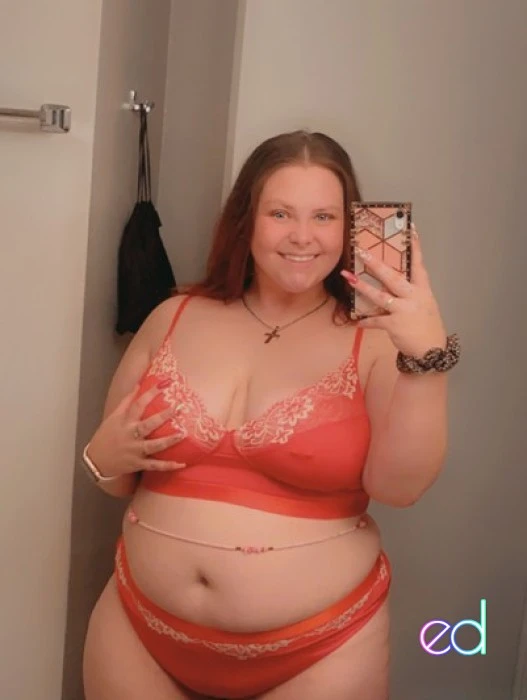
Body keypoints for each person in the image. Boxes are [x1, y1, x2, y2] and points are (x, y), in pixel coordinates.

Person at [82, 130, 459, 700]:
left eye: (324, 216)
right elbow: (114, 477)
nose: (302, 236)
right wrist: (100, 458)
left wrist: (427, 358)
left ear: (349, 228)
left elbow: (399, 489)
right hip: (138, 632)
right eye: (280, 213)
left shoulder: (378, 342)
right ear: (246, 221)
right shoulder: (173, 316)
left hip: (319, 654)